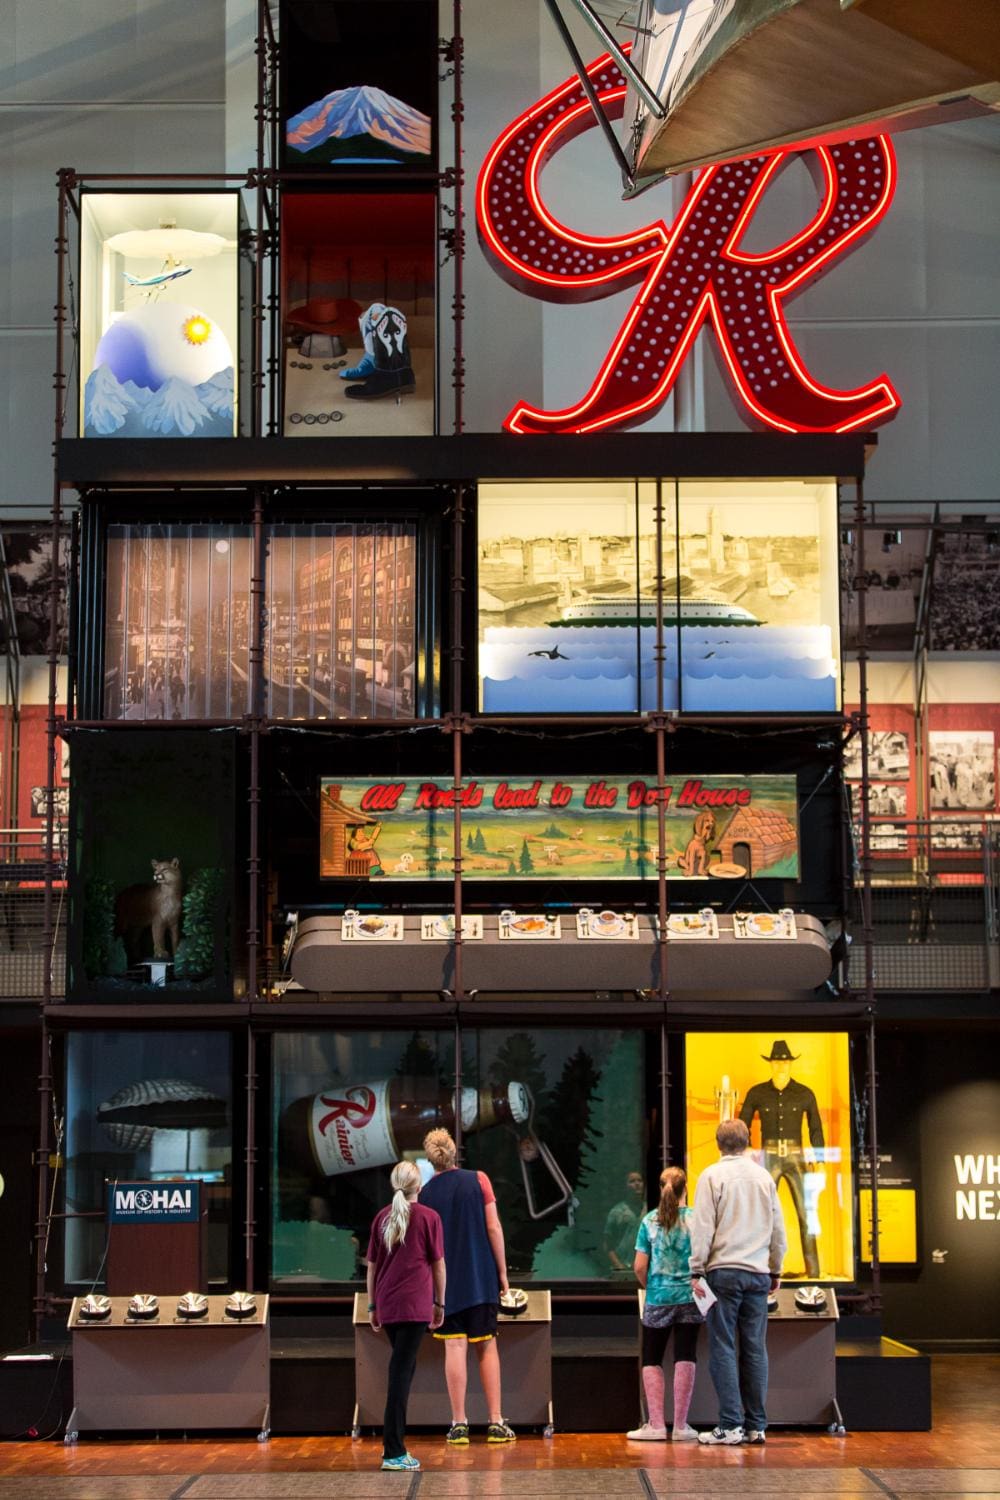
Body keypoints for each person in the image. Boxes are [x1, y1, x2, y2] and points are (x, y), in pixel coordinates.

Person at [689, 1118, 786, 1446]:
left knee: (724, 1346)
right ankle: (756, 1426)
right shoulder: (764, 1178)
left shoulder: (712, 1176)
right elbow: (778, 1230)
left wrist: (696, 1269)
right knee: (756, 1348)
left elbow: (702, 1228)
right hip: (758, 1274)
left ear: (718, 1143)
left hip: (724, 1272)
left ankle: (730, 1425)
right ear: (747, 1142)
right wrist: (776, 1269)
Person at [418, 1127, 516, 1446]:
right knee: (486, 1345)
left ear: (431, 1159)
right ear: (454, 1151)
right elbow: (493, 1226)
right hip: (480, 1276)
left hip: (446, 1285)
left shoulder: (426, 1193)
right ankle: (496, 1422)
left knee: (454, 1346)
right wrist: (502, 1274)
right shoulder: (479, 1180)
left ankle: (458, 1423)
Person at [366, 1160, 446, 1472]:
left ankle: (395, 1448)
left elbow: (372, 1267)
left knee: (404, 1369)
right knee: (400, 1374)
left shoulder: (381, 1218)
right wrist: (440, 1303)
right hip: (415, 1306)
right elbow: (439, 1264)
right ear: (419, 1187)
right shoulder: (429, 1218)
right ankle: (394, 1451)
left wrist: (373, 1307)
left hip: (388, 1304)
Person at [626, 1166, 702, 1443]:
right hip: (690, 1297)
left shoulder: (649, 1221)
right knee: (686, 1354)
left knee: (652, 1356)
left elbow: (639, 1266)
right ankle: (681, 1426)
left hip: (658, 1297)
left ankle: (656, 1424)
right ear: (686, 1189)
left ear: (661, 1188)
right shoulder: (697, 1220)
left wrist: (653, 1287)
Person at [739, 1039, 824, 1278]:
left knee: (807, 1213)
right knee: (762, 1214)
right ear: (771, 1063)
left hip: (796, 1154)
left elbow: (815, 1127)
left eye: (785, 1061)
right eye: (777, 1061)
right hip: (768, 1156)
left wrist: (819, 1157)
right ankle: (760, 1268)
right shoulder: (757, 1092)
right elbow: (742, 1123)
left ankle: (814, 1272)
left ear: (790, 1063)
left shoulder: (804, 1093)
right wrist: (744, 1149)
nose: (781, 1066)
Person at [604, 1169, 646, 1273]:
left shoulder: (651, 1211)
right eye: (632, 1181)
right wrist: (619, 1265)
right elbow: (607, 1244)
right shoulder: (616, 1212)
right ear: (625, 1187)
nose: (637, 1184)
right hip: (624, 1270)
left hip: (646, 1270)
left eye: (639, 1180)